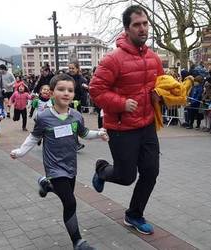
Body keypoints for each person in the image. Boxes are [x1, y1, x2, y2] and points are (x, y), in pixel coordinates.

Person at [10, 73, 108, 250]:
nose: (66, 93)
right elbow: (34, 137)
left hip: (71, 166)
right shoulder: (44, 117)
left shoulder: (77, 116)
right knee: (70, 202)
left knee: (66, 197)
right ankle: (78, 242)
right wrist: (20, 152)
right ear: (52, 92)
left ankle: (47, 185)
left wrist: (98, 133)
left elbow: (84, 134)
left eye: (70, 90)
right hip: (54, 167)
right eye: (61, 89)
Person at [89, 5, 164, 235]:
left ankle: (134, 214)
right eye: (136, 25)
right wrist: (121, 103)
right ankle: (102, 170)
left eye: (145, 24)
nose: (142, 29)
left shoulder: (154, 58)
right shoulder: (113, 59)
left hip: (147, 125)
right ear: (127, 28)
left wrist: (162, 95)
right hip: (121, 128)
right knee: (126, 176)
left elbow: (160, 86)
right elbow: (95, 90)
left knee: (151, 172)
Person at [68, 62, 89, 151]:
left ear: (77, 69)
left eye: (73, 68)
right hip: (66, 104)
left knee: (75, 123)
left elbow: (84, 94)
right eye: (70, 68)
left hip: (77, 106)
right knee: (68, 124)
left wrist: (84, 105)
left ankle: (75, 143)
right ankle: (73, 143)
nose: (71, 70)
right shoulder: (66, 78)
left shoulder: (82, 79)